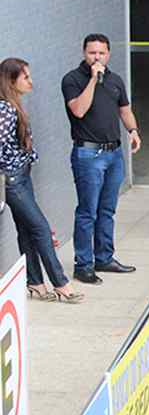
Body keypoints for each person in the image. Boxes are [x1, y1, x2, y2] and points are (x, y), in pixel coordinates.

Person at [62, 34, 142, 287]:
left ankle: (104, 257)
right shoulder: (72, 80)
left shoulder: (115, 80)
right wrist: (94, 81)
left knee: (107, 210)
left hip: (113, 153)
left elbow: (124, 109)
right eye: (92, 53)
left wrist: (133, 130)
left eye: (101, 53)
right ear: (84, 53)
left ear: (108, 53)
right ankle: (83, 265)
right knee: (88, 212)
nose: (97, 57)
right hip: (88, 154)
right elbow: (79, 110)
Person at [3, 58, 83, 303]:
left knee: (27, 230)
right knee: (41, 229)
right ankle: (61, 284)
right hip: (13, 180)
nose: (31, 82)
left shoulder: (13, 105)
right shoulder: (5, 109)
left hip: (21, 176)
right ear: (11, 80)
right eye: (25, 77)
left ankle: (35, 283)